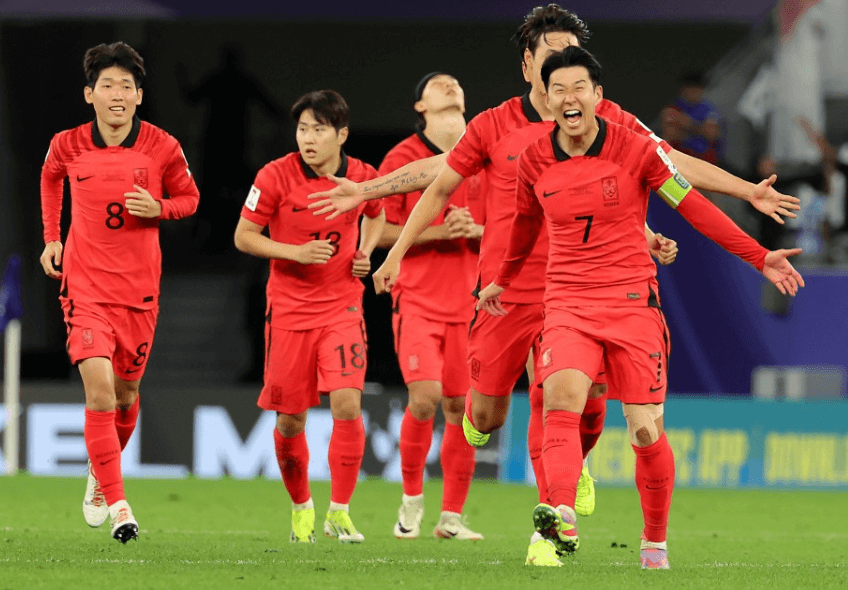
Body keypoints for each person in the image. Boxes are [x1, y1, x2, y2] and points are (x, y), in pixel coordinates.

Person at [309, 4, 799, 567]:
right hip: (508, 290)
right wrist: (375, 210)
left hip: (572, 296)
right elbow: (439, 177)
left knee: (566, 401)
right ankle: (507, 438)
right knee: (488, 418)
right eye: (552, 57)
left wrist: (743, 195)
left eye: (574, 60)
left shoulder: (611, 120)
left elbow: (668, 168)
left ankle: (555, 522)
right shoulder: (499, 128)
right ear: (529, 65)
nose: (565, 72)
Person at [475, 46, 804, 570]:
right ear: (546, 98)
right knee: (560, 397)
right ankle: (559, 512)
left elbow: (693, 208)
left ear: (598, 96)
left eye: (578, 87)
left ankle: (654, 543)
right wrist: (502, 280)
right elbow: (522, 227)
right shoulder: (535, 159)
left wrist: (760, 256)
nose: (568, 97)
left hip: (631, 304)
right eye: (557, 89)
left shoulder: (638, 151)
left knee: (645, 430)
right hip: (565, 303)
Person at [39, 42, 200, 543]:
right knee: (101, 393)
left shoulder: (162, 146)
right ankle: (121, 507)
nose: (116, 94)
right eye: (106, 85)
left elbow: (190, 199)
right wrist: (52, 238)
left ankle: (98, 473)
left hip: (139, 294)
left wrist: (160, 209)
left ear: (138, 96)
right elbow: (49, 180)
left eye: (125, 86)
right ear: (89, 95)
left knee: (127, 395)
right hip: (85, 289)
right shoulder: (66, 144)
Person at [233, 89, 385, 545]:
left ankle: (340, 510)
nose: (308, 138)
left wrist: (365, 248)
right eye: (303, 129)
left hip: (342, 306)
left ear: (341, 135)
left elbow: (376, 212)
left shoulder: (361, 176)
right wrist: (294, 252)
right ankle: (302, 505)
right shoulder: (275, 176)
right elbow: (244, 236)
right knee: (290, 422)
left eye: (319, 129)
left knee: (347, 403)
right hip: (290, 312)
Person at [377, 72, 485, 541]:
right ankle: (411, 500)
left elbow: (510, 222)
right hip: (418, 297)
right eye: (438, 85)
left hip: (470, 303)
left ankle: (451, 518)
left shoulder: (483, 155)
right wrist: (444, 230)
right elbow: (378, 232)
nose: (449, 86)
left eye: (454, 84)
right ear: (419, 107)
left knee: (463, 408)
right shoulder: (401, 160)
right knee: (425, 399)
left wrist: (477, 229)